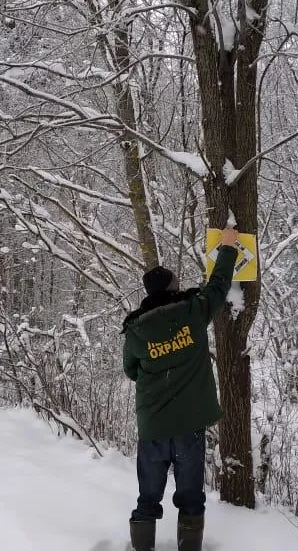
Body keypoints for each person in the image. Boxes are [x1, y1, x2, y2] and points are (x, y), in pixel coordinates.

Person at [121, 227, 239, 551]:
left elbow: (130, 369)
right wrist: (228, 248)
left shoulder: (136, 330)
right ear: (173, 287)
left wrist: (158, 360)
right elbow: (218, 285)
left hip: (154, 427)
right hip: (189, 427)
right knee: (190, 499)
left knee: (148, 497)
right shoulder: (193, 311)